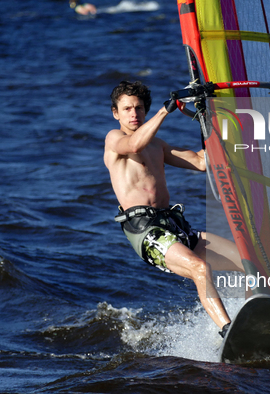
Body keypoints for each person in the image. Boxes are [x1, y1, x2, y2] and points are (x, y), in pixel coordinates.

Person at [103, 81, 244, 337]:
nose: (134, 114)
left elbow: (202, 162)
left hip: (174, 225)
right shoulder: (114, 140)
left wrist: (211, 117)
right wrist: (166, 110)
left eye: (139, 108)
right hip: (146, 231)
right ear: (116, 113)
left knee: (249, 261)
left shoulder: (158, 145)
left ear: (145, 111)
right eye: (127, 109)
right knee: (200, 268)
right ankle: (230, 331)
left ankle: (260, 312)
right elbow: (134, 145)